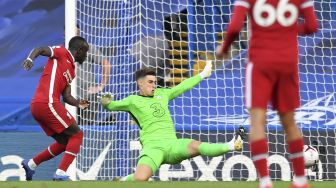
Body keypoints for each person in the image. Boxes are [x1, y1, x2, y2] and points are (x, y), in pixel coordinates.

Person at [216, 0, 318, 188]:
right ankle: (301, 181)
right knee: (289, 121)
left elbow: (234, 28)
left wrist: (224, 48)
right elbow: (312, 26)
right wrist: (289, 30)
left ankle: (265, 182)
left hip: (260, 62)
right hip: (288, 62)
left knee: (257, 121)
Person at [99, 61, 246, 181]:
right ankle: (124, 180)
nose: (154, 85)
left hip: (172, 145)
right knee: (140, 180)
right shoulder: (132, 100)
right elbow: (112, 106)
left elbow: (182, 86)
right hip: (153, 148)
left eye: (155, 82)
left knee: (198, 146)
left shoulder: (163, 94)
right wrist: (105, 102)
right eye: (150, 82)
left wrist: (202, 75)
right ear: (140, 83)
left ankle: (231, 145)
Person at [21, 36, 90, 181]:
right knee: (77, 135)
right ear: (80, 50)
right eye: (86, 52)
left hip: (39, 106)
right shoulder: (61, 52)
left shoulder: (71, 70)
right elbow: (40, 49)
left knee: (66, 142)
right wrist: (30, 59)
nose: (86, 55)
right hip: (47, 103)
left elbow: (66, 96)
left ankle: (32, 164)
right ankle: (60, 173)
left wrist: (78, 103)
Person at [75, 25, 111, 125]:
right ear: (65, 34)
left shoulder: (87, 48)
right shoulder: (62, 50)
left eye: (77, 33)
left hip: (87, 97)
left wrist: (101, 86)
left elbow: (106, 63)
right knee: (67, 132)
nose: (75, 35)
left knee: (87, 131)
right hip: (68, 98)